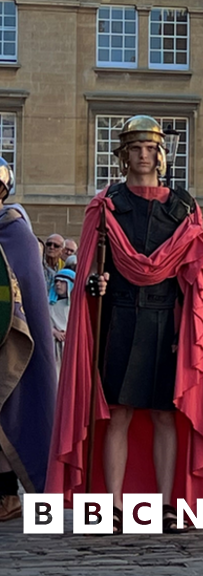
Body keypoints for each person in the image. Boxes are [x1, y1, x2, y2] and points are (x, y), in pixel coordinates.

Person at [46, 115, 203, 533]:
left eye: (150, 148)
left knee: (165, 414)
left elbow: (193, 274)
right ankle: (113, 507)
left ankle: (169, 505)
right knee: (118, 413)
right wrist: (94, 285)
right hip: (118, 320)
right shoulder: (106, 205)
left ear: (161, 155)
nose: (143, 155)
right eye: (135, 148)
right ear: (124, 155)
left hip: (167, 324)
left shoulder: (183, 207)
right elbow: (90, 270)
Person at [0, 158, 57, 522]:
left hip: (9, 337)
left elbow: (26, 291)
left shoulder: (13, 229)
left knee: (7, 414)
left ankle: (7, 495)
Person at [49, 268, 75, 373]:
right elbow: (43, 324)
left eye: (62, 282)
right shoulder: (48, 305)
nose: (58, 284)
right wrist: (54, 332)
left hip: (71, 347)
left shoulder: (77, 306)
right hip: (53, 348)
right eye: (56, 281)